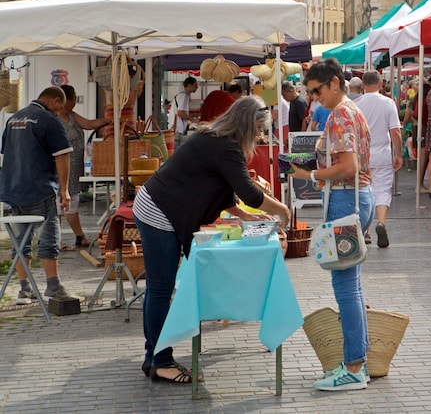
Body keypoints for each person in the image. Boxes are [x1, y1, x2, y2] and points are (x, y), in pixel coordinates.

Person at [132, 96, 291, 383]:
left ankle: (153, 356)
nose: (259, 135)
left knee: (160, 288)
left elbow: (217, 185)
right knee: (160, 288)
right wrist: (282, 209)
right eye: (258, 129)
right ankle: (160, 361)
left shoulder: (215, 139)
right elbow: (250, 192)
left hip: (159, 205)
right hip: (158, 211)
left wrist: (243, 214)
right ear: (246, 124)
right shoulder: (224, 145)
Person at [289, 59, 374, 391]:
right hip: (355, 198)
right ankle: (357, 361)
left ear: (334, 83)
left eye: (316, 90)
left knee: (345, 287)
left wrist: (308, 175)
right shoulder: (350, 109)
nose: (313, 98)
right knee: (351, 285)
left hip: (344, 199)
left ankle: (354, 367)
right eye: (310, 92)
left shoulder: (340, 114)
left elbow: (347, 167)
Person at [0, 87, 74, 303]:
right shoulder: (48, 120)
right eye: (60, 107)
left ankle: (25, 289)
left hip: (12, 189)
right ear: (55, 101)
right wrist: (64, 189)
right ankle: (53, 286)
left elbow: (9, 153)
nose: (60, 112)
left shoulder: (14, 118)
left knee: (20, 241)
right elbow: (63, 157)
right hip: (39, 188)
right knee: (48, 237)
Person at [57, 84, 111, 250]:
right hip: (62, 167)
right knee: (63, 202)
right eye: (73, 99)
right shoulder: (55, 119)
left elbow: (88, 124)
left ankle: (76, 237)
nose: (74, 102)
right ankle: (62, 239)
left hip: (75, 167)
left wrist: (107, 120)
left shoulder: (72, 116)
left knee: (70, 200)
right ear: (66, 101)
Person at [354, 71, 403, 249]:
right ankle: (381, 222)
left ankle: (366, 231)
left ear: (363, 85)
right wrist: (398, 154)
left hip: (361, 155)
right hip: (382, 153)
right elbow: (395, 131)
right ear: (380, 83)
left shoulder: (355, 104)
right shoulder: (388, 103)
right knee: (382, 190)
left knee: (363, 191)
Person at [172, 76, 198, 147]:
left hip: (177, 128)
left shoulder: (183, 95)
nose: (197, 87)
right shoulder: (184, 96)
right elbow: (180, 112)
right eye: (195, 85)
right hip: (178, 128)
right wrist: (192, 120)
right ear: (189, 85)